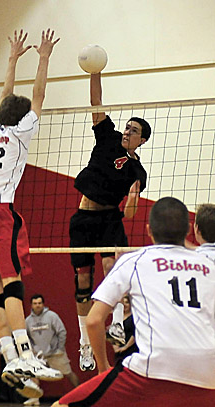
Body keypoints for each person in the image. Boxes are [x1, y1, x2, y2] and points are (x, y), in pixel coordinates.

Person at [0, 29, 61, 398]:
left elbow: (7, 96)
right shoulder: (23, 132)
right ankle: (24, 353)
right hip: (0, 215)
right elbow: (37, 96)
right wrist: (44, 56)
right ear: (21, 119)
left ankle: (9, 354)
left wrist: (13, 58)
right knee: (11, 284)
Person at [52, 197, 215, 407]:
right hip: (208, 371)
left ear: (148, 230)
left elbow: (93, 321)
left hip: (152, 367)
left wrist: (103, 369)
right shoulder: (209, 264)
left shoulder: (135, 259)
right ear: (188, 230)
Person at [69, 71, 151, 370]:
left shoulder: (137, 172)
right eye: (127, 127)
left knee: (110, 266)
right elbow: (96, 102)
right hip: (83, 219)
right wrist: (95, 72)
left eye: (134, 131)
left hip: (109, 220)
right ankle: (84, 344)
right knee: (83, 281)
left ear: (141, 140)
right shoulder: (108, 138)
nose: (128, 132)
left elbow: (130, 215)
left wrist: (131, 200)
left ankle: (116, 324)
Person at [23, 294, 80, 406]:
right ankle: (34, 399)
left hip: (55, 353)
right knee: (32, 374)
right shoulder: (28, 321)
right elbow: (26, 336)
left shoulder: (52, 316)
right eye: (35, 303)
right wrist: (32, 349)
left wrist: (59, 348)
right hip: (39, 354)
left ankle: (81, 394)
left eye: (39, 303)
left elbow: (62, 332)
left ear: (43, 304)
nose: (37, 305)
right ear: (31, 305)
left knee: (68, 373)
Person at [111, 295, 138, 365]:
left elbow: (135, 333)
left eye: (127, 303)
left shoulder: (134, 317)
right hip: (119, 352)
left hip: (132, 349)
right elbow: (113, 334)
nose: (125, 305)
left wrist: (125, 347)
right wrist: (116, 348)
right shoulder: (117, 318)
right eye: (123, 303)